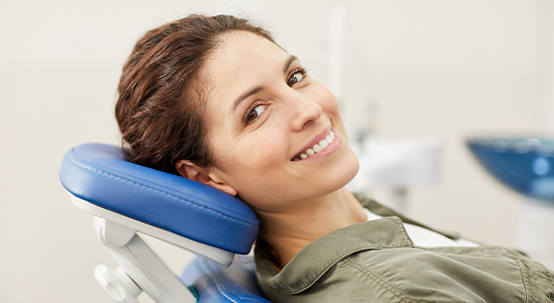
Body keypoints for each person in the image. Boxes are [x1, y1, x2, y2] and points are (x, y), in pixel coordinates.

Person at [115, 14, 554, 302]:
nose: (309, 108)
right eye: (255, 112)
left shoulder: (354, 225)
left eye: (296, 76)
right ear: (208, 178)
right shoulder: (400, 294)